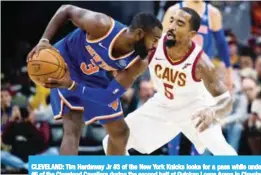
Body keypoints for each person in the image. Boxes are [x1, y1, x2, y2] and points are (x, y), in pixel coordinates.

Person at [26, 5, 162, 155]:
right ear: (139, 34)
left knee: (121, 132)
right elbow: (66, 10)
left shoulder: (138, 62)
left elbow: (108, 96)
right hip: (66, 64)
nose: (155, 46)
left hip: (94, 75)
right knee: (73, 127)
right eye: (154, 40)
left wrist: (72, 86)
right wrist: (44, 40)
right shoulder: (101, 25)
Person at [102, 7, 237, 155]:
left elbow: (226, 101)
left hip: (196, 109)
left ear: (191, 34)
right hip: (163, 105)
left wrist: (213, 112)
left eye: (179, 23)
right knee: (112, 141)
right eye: (171, 20)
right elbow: (130, 68)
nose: (171, 26)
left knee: (223, 151)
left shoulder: (201, 63)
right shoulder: (153, 44)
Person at [162, 0, 232, 90]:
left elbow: (222, 44)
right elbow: (161, 43)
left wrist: (229, 73)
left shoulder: (212, 13)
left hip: (203, 73)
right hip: (178, 71)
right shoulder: (174, 11)